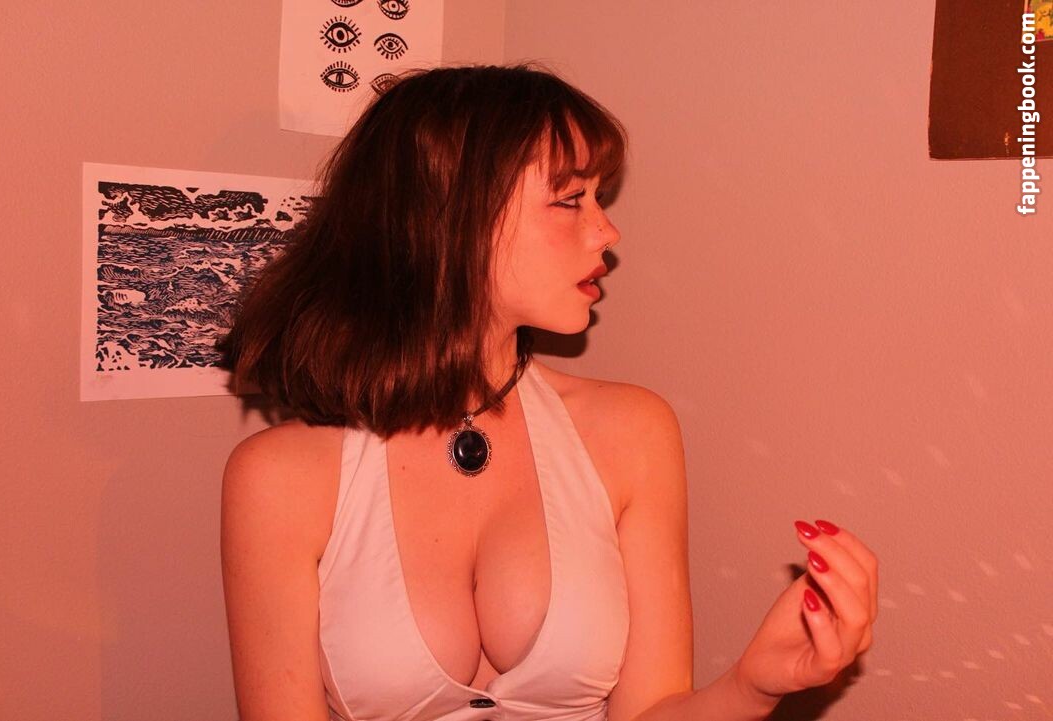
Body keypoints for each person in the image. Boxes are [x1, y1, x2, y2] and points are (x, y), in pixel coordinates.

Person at [215, 63, 878, 721]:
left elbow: (649, 711)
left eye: (598, 197)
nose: (607, 231)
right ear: (450, 217)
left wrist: (754, 686)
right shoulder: (279, 478)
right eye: (570, 199)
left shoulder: (632, 432)